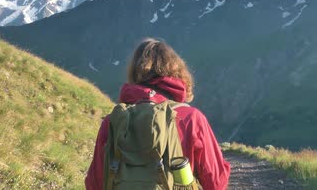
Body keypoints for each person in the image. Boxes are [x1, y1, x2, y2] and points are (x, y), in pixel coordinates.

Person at [85, 38, 230, 190]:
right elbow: (216, 182)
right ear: (177, 72)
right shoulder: (191, 118)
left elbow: (94, 183)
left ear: (134, 73)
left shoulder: (113, 121)